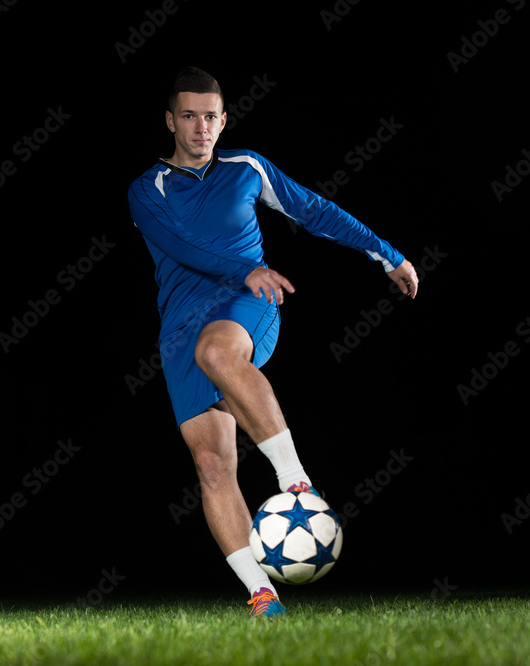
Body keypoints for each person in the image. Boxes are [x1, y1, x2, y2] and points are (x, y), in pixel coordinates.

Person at [127, 66, 418, 618]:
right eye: (188, 116)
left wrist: (388, 254)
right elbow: (182, 245)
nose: (200, 127)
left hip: (244, 307)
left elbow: (315, 210)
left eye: (211, 116)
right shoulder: (147, 189)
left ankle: (297, 486)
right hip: (180, 328)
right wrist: (246, 268)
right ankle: (262, 597)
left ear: (224, 119)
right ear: (170, 120)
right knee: (213, 465)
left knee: (217, 352)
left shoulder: (246, 167)